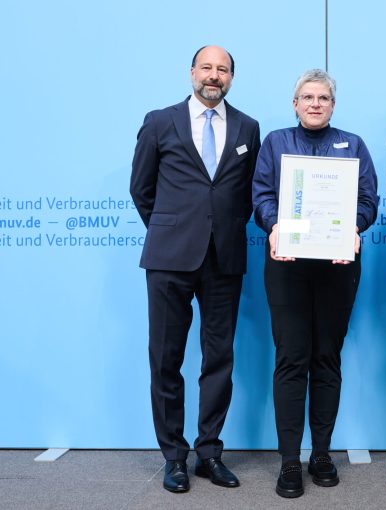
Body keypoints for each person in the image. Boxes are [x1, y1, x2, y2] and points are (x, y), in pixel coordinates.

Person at [130, 45, 260, 493]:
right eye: (207, 67)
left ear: (231, 78)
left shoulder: (247, 126)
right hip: (169, 258)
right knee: (165, 358)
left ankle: (209, 452)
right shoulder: (160, 121)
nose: (214, 75)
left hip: (224, 258)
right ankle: (174, 456)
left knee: (218, 358)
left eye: (222, 69)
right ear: (191, 72)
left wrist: (216, 229)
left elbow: (246, 193)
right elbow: (141, 188)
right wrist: (172, 229)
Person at [252, 69, 378, 499]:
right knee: (291, 358)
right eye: (307, 96)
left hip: (338, 265)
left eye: (323, 97)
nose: (315, 103)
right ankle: (289, 459)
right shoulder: (275, 142)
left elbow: (367, 201)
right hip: (287, 265)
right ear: (295, 103)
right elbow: (262, 196)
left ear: (333, 104)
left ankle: (320, 454)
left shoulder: (354, 144)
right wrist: (273, 227)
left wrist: (355, 228)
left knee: (326, 358)